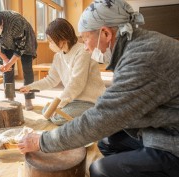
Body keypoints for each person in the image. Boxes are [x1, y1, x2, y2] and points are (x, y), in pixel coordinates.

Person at [18, 0, 179, 176]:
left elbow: (104, 116)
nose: (86, 46)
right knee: (106, 141)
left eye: (86, 38)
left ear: (105, 33)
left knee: (99, 170)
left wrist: (42, 141)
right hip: (159, 128)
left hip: (172, 141)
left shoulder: (144, 56)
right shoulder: (136, 46)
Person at [20, 18, 105, 125]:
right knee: (47, 110)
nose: (49, 44)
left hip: (90, 101)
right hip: (74, 100)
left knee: (58, 116)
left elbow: (76, 83)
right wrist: (30, 87)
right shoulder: (58, 56)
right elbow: (51, 80)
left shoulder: (83, 51)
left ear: (62, 39)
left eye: (51, 40)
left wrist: (59, 104)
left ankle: (94, 114)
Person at [0, 9, 37, 110]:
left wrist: (9, 63)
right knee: (7, 71)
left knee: (27, 70)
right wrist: (6, 61)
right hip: (5, 43)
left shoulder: (16, 21)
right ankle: (10, 98)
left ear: (1, 22)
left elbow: (20, 48)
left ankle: (28, 99)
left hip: (25, 42)